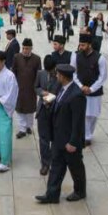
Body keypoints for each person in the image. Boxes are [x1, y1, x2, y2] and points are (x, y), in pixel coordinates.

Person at [34, 64, 87, 204]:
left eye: (57, 75)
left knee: (75, 167)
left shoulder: (77, 95)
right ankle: (52, 194)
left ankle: (80, 191)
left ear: (63, 77)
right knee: (56, 166)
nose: (56, 76)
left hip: (70, 141)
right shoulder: (62, 89)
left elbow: (78, 122)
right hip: (58, 138)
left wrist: (73, 142)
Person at [72, 34, 107, 146]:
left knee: (93, 115)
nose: (81, 47)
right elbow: (73, 73)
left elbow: (103, 77)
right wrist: (81, 86)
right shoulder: (76, 56)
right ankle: (85, 136)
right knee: (84, 114)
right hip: (80, 90)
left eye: (83, 45)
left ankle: (89, 134)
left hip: (94, 92)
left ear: (89, 45)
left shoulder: (100, 58)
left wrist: (91, 89)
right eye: (80, 45)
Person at [35, 55, 59, 175]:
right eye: (47, 70)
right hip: (43, 110)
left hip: (55, 111)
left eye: (51, 70)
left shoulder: (60, 75)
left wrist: (53, 97)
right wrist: (41, 93)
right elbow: (36, 87)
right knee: (43, 139)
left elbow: (62, 92)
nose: (49, 72)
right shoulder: (41, 73)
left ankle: (55, 161)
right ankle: (45, 163)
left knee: (55, 139)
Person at [12, 38, 40, 138]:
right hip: (19, 87)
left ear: (31, 48)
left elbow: (39, 74)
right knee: (20, 109)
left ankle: (29, 126)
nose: (25, 50)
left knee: (30, 109)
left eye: (27, 48)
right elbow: (13, 71)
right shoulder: (16, 57)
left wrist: (37, 87)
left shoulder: (37, 59)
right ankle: (22, 129)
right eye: (23, 48)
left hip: (31, 88)